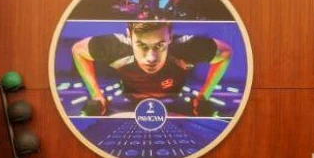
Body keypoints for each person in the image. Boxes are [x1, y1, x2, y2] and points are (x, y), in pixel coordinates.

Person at [69, 22, 233, 117]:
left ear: (170, 36)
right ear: (129, 36)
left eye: (160, 45)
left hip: (173, 95)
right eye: (141, 45)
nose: (151, 58)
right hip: (130, 94)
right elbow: (78, 50)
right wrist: (96, 95)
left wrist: (204, 95)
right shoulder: (114, 46)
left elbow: (225, 53)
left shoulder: (186, 47)